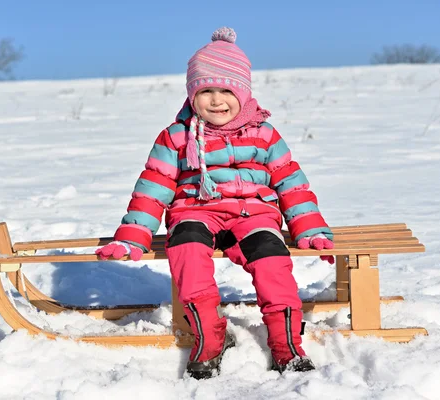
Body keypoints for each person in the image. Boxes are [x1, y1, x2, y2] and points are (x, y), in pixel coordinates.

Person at [96, 27, 334, 379]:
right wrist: (133, 235)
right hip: (196, 212)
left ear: (243, 92)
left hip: (252, 215)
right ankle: (210, 338)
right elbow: (153, 187)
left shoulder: (264, 134)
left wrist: (309, 227)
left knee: (272, 264)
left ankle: (286, 346)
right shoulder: (177, 136)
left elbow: (291, 182)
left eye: (226, 90)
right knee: (187, 254)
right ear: (192, 94)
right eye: (205, 90)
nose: (216, 100)